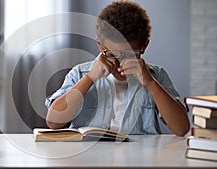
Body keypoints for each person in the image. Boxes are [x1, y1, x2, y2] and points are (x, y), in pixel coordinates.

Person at [45, 1, 190, 136]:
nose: (120, 62)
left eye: (129, 55)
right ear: (100, 45)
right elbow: (53, 122)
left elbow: (181, 128)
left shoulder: (156, 75)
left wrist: (150, 83)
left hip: (140, 158)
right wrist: (90, 78)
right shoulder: (80, 73)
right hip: (89, 157)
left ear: (144, 46)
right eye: (113, 54)